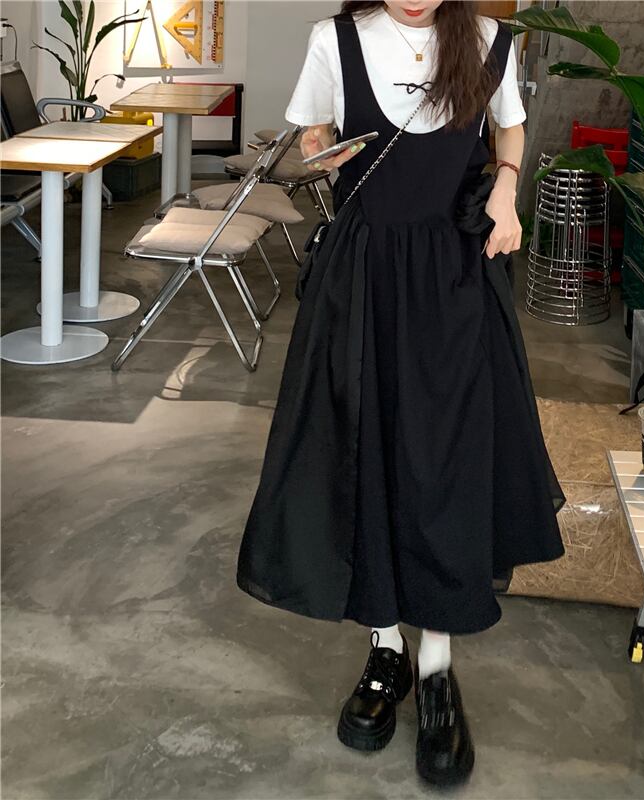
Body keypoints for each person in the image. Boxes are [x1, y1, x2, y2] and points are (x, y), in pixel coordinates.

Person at [237, 0, 564, 787]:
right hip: (363, 281)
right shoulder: (335, 40)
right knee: (367, 451)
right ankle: (386, 650)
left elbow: (511, 127)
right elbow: (312, 135)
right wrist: (320, 150)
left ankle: (438, 666)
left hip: (454, 283)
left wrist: (505, 188)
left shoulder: (486, 40)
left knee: (444, 465)